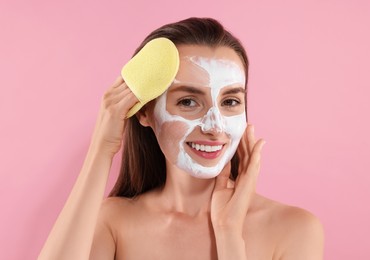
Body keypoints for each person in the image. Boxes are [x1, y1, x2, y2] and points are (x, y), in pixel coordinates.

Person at [39, 17, 324, 260]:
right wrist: (102, 150)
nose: (215, 127)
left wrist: (230, 236)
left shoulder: (295, 229)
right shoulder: (113, 222)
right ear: (144, 112)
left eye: (231, 101)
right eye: (188, 102)